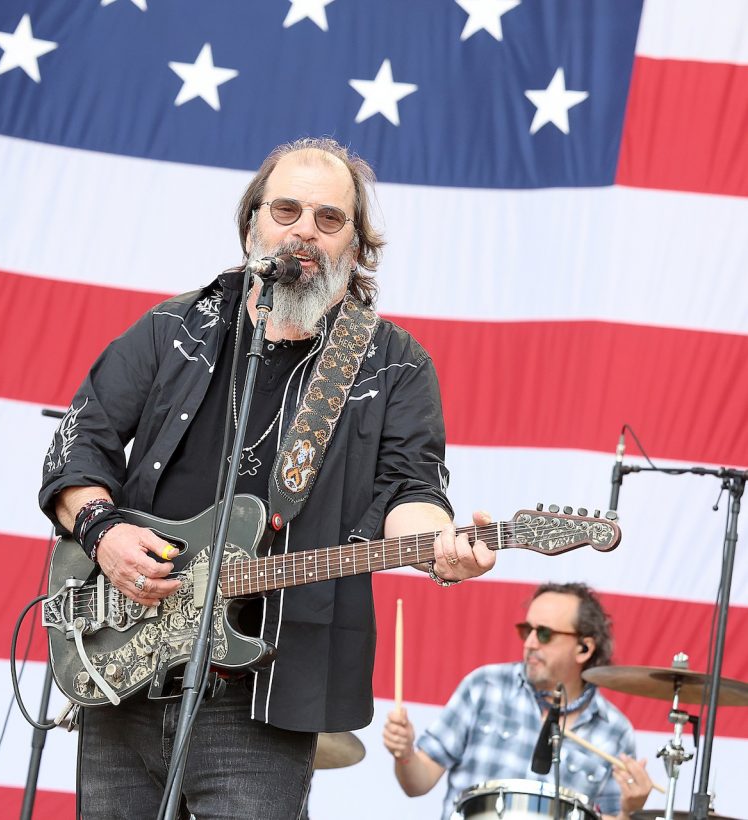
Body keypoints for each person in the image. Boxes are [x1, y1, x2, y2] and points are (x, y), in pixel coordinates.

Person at [39, 137, 496, 820]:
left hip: (269, 693)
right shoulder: (174, 328)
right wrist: (104, 533)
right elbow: (79, 445)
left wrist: (439, 542)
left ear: (355, 246)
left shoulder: (392, 364)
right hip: (125, 667)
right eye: (286, 210)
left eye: (329, 218)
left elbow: (411, 491)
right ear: (253, 221)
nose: (304, 230)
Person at [383, 582, 654, 819]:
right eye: (527, 630)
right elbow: (417, 784)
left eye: (544, 633)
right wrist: (405, 755)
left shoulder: (614, 730)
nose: (530, 643)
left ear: (584, 648)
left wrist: (628, 811)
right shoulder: (485, 686)